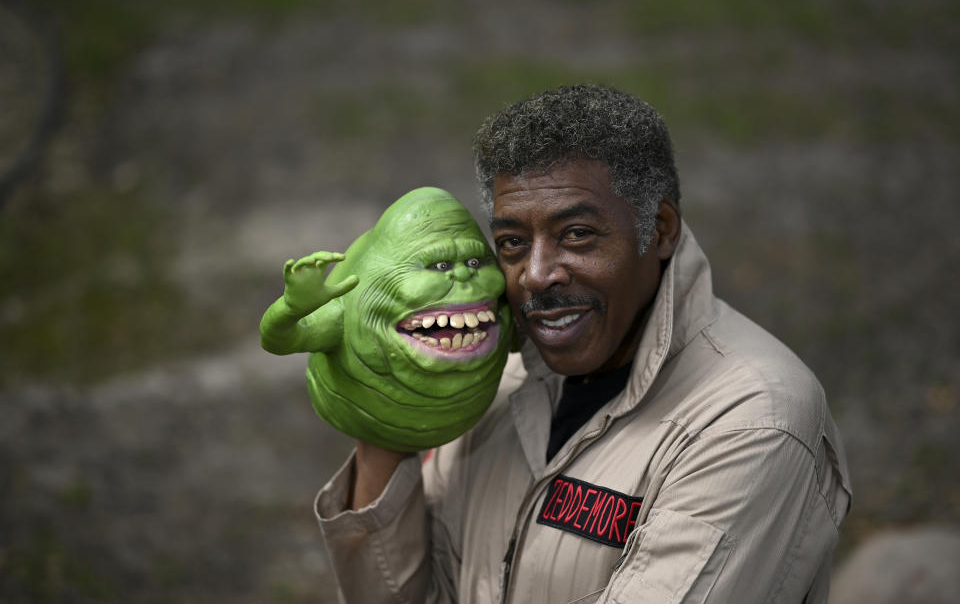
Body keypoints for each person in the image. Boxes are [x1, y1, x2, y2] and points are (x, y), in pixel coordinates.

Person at [315, 84, 852, 603]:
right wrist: (385, 422)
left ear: (659, 229)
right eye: (512, 243)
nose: (536, 275)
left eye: (576, 234)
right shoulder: (492, 386)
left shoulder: (753, 421)